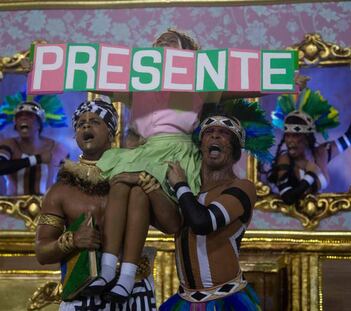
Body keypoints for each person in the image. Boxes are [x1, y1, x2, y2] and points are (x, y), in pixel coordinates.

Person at [87, 28, 210, 302]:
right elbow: (95, 79)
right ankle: (110, 269)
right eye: (158, 42)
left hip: (173, 151)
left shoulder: (198, 83)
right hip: (144, 151)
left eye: (171, 42)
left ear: (187, 53)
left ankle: (127, 274)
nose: (162, 42)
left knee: (141, 187)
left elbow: (241, 84)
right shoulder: (140, 84)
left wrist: (283, 80)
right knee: (122, 185)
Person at [35, 99, 158, 310]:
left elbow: (171, 225)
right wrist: (72, 240)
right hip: (84, 291)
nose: (86, 125)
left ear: (111, 132)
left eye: (94, 121)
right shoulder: (61, 190)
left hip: (134, 289)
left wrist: (151, 184)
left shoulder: (136, 175)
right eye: (80, 123)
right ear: (76, 135)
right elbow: (42, 252)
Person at [160, 114, 262, 310]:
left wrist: (180, 185)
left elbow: (203, 223)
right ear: (200, 146)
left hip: (228, 301)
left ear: (235, 150)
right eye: (209, 133)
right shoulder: (190, 194)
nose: (215, 136)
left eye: (223, 133)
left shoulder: (243, 187)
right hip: (184, 301)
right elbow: (166, 225)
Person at [268, 75, 351, 205]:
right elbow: (288, 198)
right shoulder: (285, 159)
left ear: (307, 137)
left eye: (295, 136)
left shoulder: (322, 153)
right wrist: (310, 176)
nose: (290, 140)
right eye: (287, 135)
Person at [0, 101, 68, 195]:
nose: (23, 118)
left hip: (47, 206)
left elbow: (68, 182)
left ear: (39, 123)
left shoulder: (58, 149)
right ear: (15, 123)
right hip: (14, 206)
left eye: (30, 115)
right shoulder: (9, 145)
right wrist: (36, 159)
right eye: (19, 116)